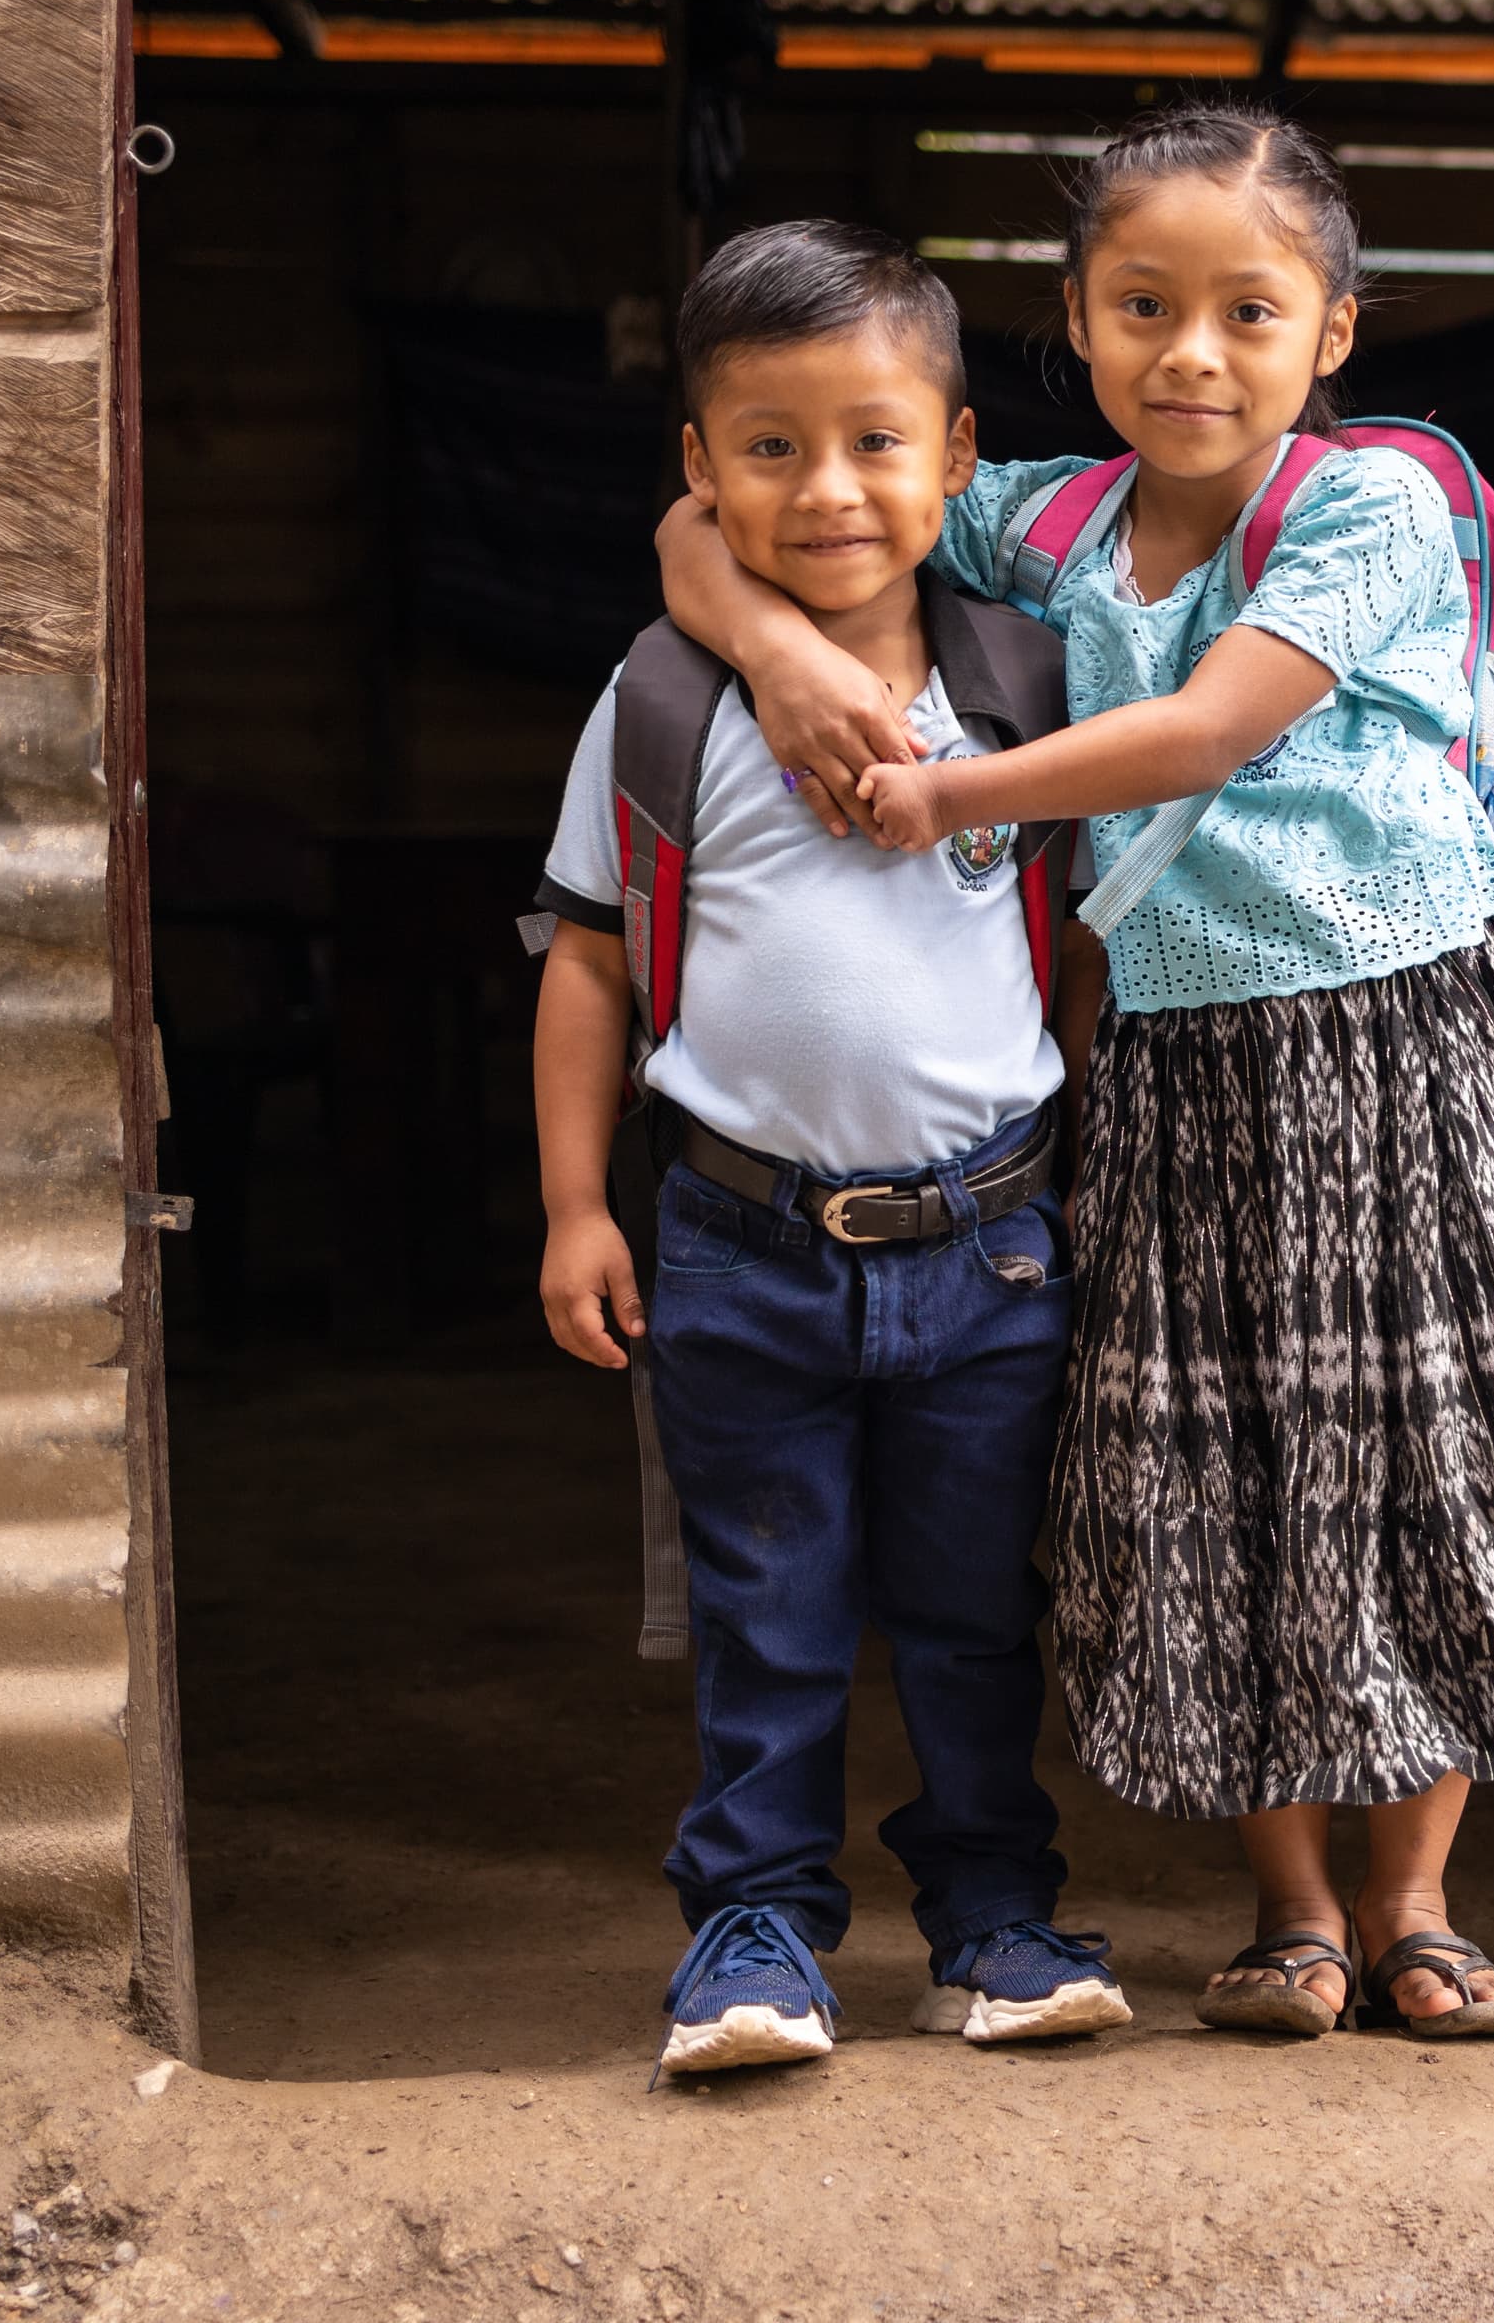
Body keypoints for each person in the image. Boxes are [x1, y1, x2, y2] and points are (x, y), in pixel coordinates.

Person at [658, 105, 1494, 2040]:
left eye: (1247, 312)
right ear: (1077, 320)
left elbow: (1206, 731)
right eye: (1144, 307)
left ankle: (1420, 1908)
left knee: (1419, 1464)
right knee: (1221, 1481)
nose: (1190, 353)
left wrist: (944, 792)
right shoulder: (1033, 514)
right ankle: (1288, 1919)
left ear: (1334, 337)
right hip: (1183, 1086)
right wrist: (784, 660)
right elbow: (702, 520)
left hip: (1412, 1058)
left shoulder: (1370, 508)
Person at [533, 220, 1125, 2073]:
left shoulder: (1033, 680)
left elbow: (1094, 945)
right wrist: (572, 1208)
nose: (830, 488)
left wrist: (1078, 1165)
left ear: (960, 458)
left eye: (878, 441)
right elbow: (587, 968)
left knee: (972, 1618)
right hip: (739, 1242)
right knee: (766, 1616)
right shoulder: (663, 695)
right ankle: (756, 1940)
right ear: (697, 474)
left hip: (993, 1246)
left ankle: (997, 1924)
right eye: (769, 447)